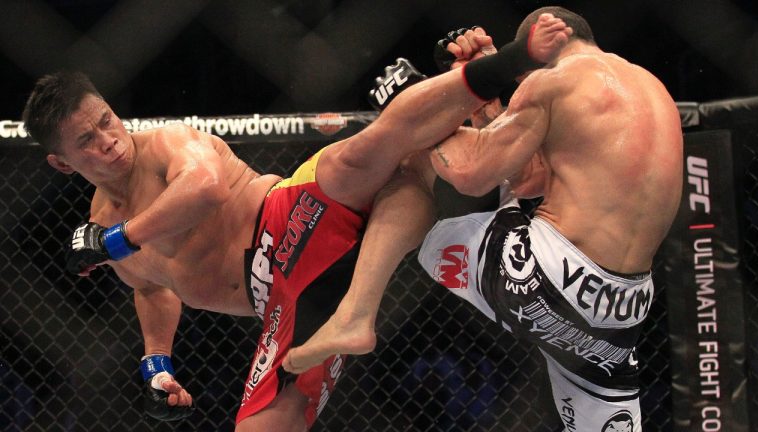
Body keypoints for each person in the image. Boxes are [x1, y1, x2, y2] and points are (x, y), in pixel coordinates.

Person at [21, 13, 571, 431]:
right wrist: (156, 365)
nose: (109, 142)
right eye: (86, 141)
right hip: (279, 304)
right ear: (61, 163)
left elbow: (205, 187)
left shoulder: (163, 145)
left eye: (106, 121)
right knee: (262, 425)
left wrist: (116, 241)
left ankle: (498, 68)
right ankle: (434, 101)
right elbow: (152, 287)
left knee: (358, 157)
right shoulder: (99, 221)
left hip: (285, 220)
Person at [284, 6, 683, 431]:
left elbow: (471, 174)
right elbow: (529, 178)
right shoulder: (650, 89)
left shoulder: (552, 82)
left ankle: (356, 314)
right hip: (622, 320)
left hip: (541, 279)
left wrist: (420, 100)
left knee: (418, 178)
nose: (518, 79)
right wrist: (486, 102)